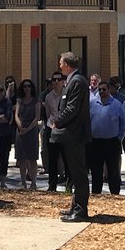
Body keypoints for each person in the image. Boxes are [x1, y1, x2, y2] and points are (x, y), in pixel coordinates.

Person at [50, 52, 91, 222]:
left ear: (67, 65)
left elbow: (72, 108)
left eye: (61, 63)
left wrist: (57, 122)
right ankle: (75, 206)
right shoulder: (72, 81)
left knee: (79, 173)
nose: (59, 66)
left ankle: (81, 210)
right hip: (70, 136)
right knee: (73, 173)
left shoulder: (77, 81)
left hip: (75, 135)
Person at [88, 81, 125, 195]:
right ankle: (96, 194)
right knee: (96, 171)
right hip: (96, 142)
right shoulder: (92, 104)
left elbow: (123, 123)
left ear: (109, 90)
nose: (101, 91)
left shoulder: (116, 104)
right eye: (99, 90)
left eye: (104, 89)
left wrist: (119, 138)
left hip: (112, 142)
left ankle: (115, 195)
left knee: (113, 171)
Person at [14, 79, 41, 190]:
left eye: (29, 86)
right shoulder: (19, 101)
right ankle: (23, 183)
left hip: (32, 131)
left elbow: (37, 117)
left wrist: (28, 128)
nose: (27, 88)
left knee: (32, 158)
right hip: (20, 131)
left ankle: (33, 183)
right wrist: (20, 127)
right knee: (22, 158)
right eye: (25, 86)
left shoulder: (36, 101)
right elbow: (16, 115)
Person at [42, 72, 65, 192]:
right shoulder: (48, 97)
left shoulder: (67, 95)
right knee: (52, 159)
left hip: (65, 130)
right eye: (54, 80)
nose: (56, 82)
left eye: (58, 80)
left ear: (63, 81)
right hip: (52, 129)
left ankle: (69, 186)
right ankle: (52, 185)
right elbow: (48, 114)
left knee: (67, 158)